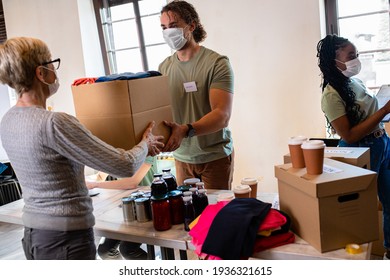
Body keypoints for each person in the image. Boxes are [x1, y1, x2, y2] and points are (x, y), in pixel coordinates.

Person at [0, 37, 164, 260]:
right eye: (51, 63)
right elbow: (125, 165)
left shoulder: (7, 120)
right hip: (65, 240)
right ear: (40, 73)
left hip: (34, 236)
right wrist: (146, 143)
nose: (55, 71)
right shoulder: (54, 123)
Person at [317, 34, 390, 260]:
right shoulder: (330, 95)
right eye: (351, 56)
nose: (356, 60)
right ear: (334, 61)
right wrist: (384, 110)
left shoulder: (353, 82)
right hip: (360, 150)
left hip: (381, 142)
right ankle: (356, 259)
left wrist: (383, 109)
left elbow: (368, 114)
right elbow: (348, 134)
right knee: (361, 208)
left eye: (356, 54)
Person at [158, 0, 234, 190]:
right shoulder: (164, 68)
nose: (168, 32)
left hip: (214, 156)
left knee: (215, 216)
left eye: (173, 26)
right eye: (163, 27)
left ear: (191, 26)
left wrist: (186, 130)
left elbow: (222, 115)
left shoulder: (217, 63)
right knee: (188, 216)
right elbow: (161, 112)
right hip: (181, 157)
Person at [86, 156, 158, 260]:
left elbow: (131, 183)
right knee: (105, 250)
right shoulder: (117, 151)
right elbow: (100, 176)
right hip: (125, 209)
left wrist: (95, 184)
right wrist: (85, 181)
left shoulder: (147, 149)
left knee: (128, 250)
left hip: (145, 209)